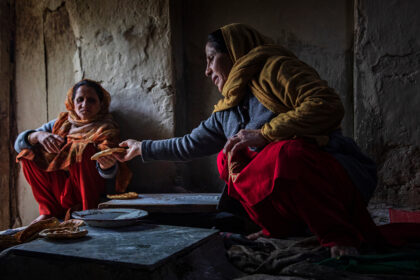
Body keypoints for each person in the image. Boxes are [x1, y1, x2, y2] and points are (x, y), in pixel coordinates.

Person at [114, 23, 379, 257]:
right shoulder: (227, 108)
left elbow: (327, 105)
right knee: (227, 157)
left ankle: (338, 235)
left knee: (288, 153)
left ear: (233, 52)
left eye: (211, 59)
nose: (207, 71)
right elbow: (190, 144)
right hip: (297, 198)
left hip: (333, 177)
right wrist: (141, 148)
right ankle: (279, 229)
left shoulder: (275, 68)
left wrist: (265, 134)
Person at [15, 79, 131, 224]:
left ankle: (87, 214)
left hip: (89, 191)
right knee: (27, 154)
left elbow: (111, 175)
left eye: (91, 100)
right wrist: (37, 135)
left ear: (101, 104)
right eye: (80, 100)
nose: (84, 105)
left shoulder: (107, 128)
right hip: (62, 188)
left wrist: (106, 167)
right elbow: (18, 146)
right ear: (72, 102)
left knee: (83, 148)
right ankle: (49, 212)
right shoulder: (62, 123)